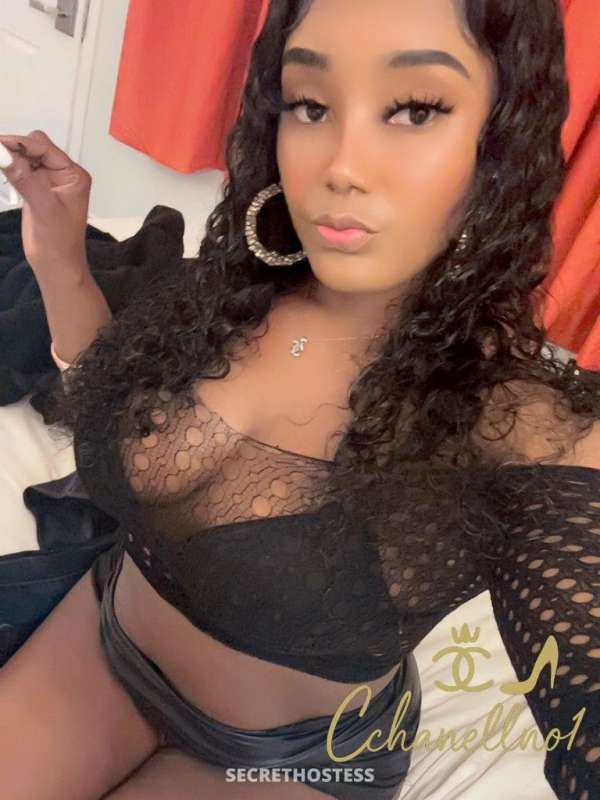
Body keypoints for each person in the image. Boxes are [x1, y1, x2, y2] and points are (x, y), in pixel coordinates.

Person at [0, 1, 599, 798]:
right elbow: (96, 386)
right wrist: (60, 259)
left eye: (416, 109)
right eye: (311, 105)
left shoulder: (525, 425)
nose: (341, 166)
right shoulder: (223, 295)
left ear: (501, 141)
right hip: (105, 640)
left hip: (288, 757)